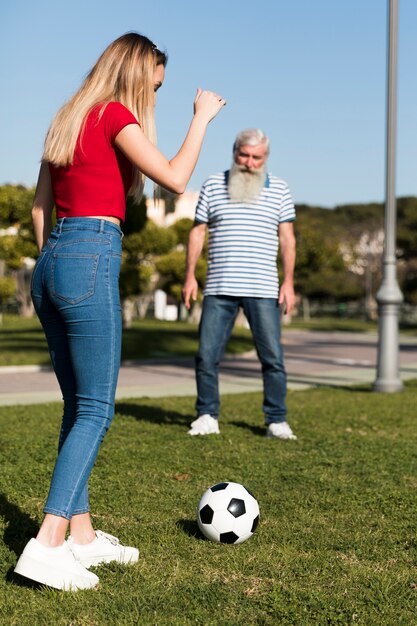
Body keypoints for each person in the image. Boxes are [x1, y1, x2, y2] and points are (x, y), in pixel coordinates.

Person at [14, 32, 225, 591]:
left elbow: (40, 207)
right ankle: (48, 543)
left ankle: (80, 535)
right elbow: (176, 178)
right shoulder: (110, 115)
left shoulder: (67, 117)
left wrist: (54, 263)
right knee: (97, 410)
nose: (155, 94)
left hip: (53, 258)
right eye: (155, 82)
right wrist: (202, 118)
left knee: (75, 406)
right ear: (137, 72)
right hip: (90, 252)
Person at [182, 128, 297, 440]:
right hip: (219, 287)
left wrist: (288, 283)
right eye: (243, 155)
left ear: (265, 158)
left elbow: (287, 239)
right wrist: (190, 275)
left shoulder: (280, 189)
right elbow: (197, 231)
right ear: (234, 153)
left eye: (256, 157)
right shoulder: (213, 184)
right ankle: (207, 415)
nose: (249, 162)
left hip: (264, 289)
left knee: (272, 357)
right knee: (206, 355)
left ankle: (276, 420)